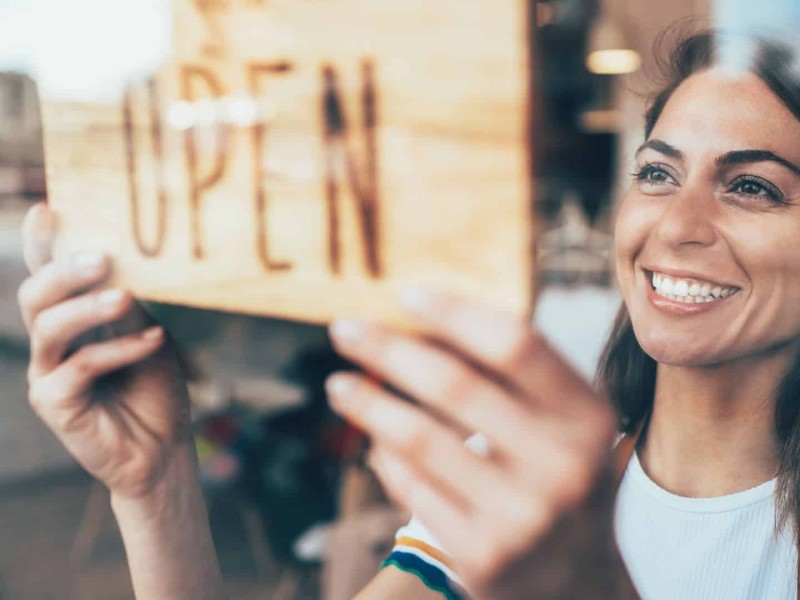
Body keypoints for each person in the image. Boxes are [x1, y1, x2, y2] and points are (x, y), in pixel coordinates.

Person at [16, 27, 800, 599]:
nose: (674, 225)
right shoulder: (514, 481)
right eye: (658, 175)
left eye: (753, 187)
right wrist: (156, 488)